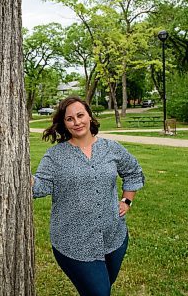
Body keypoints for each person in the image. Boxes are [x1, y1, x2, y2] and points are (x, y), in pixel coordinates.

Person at [33, 96, 144, 296]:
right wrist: (23, 177)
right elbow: (39, 188)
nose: (77, 122)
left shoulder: (111, 148)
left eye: (80, 115)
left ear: (90, 117)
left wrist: (126, 200)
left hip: (114, 238)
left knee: (101, 289)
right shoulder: (55, 156)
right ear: (64, 124)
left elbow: (133, 171)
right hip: (74, 243)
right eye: (70, 119)